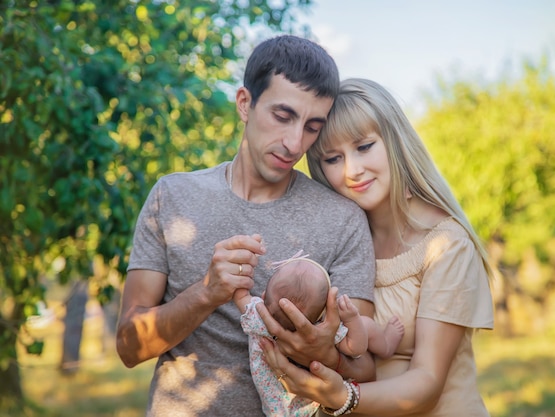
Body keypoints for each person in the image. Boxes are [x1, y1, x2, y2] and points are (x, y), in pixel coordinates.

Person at [115, 36, 378, 417]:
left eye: (311, 126)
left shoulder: (343, 219)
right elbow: (128, 346)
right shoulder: (172, 197)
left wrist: (321, 351)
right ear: (245, 104)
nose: (294, 143)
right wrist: (206, 293)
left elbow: (365, 370)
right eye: (283, 116)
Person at [257, 78, 495, 416]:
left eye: (364, 146)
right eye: (333, 158)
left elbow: (427, 381)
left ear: (394, 141)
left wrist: (341, 397)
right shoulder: (339, 244)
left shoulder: (445, 243)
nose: (352, 170)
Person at [233, 251, 404, 417]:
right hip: (310, 397)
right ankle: (386, 346)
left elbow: (241, 296)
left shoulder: (257, 315)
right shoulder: (322, 329)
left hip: (274, 402)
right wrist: (352, 319)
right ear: (323, 312)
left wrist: (243, 266)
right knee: (366, 324)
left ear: (263, 297)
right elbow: (356, 348)